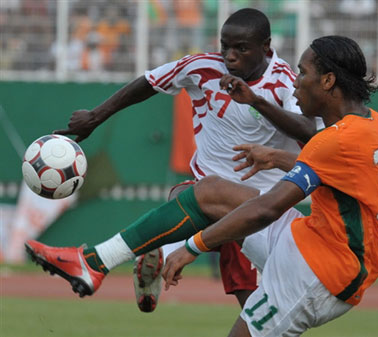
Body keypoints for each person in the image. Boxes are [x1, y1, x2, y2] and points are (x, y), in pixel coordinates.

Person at [25, 35, 378, 336]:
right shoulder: (373, 124)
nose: (296, 82)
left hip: (320, 274)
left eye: (303, 73)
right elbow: (341, 177)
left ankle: (117, 257)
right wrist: (279, 157)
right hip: (313, 241)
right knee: (210, 190)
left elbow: (269, 208)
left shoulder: (335, 140)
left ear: (328, 81)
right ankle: (94, 262)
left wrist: (192, 246)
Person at [51, 8, 320, 312]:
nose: (230, 56)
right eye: (225, 46)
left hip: (258, 207)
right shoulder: (202, 67)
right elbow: (148, 82)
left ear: (266, 47)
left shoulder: (284, 81)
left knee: (256, 305)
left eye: (241, 49)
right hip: (207, 188)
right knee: (186, 196)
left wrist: (256, 101)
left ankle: (161, 251)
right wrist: (95, 117)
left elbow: (309, 131)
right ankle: (149, 252)